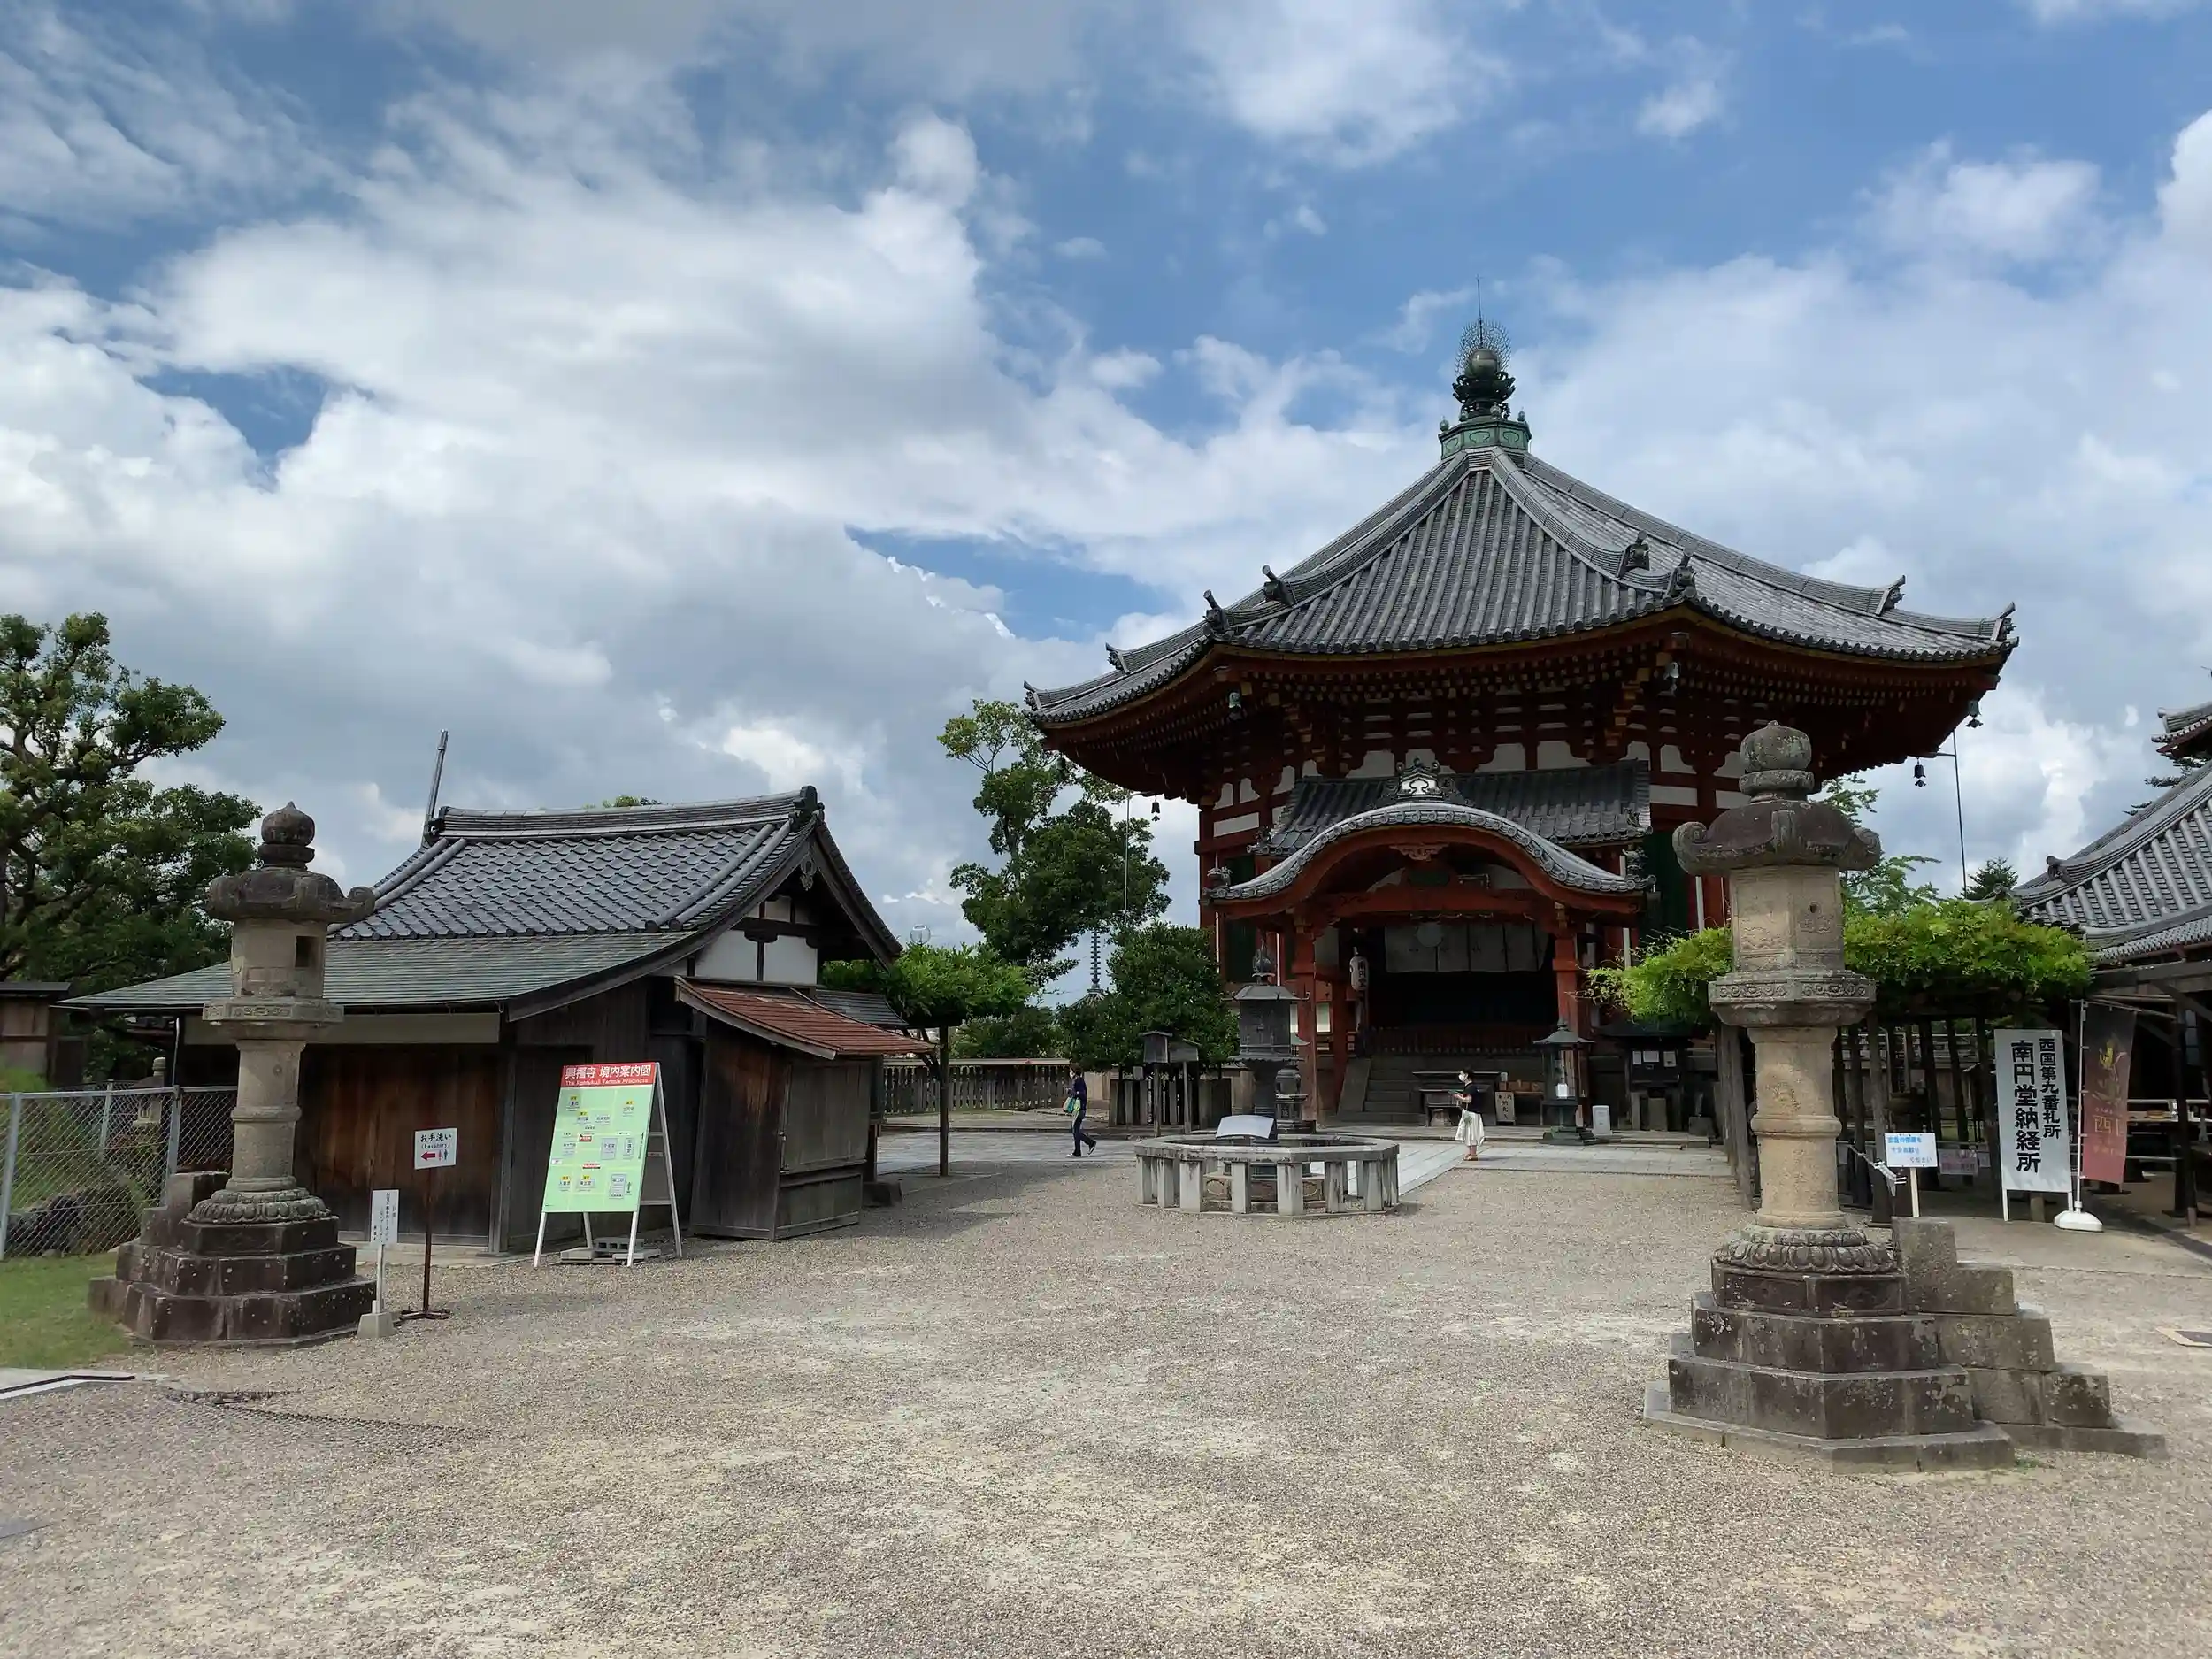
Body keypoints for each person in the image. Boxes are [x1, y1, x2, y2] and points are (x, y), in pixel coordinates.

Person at [1453, 1069, 1486, 1163]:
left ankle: (1473, 1153)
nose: (1460, 1076)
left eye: (1462, 1074)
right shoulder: (1468, 1087)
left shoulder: (1471, 1087)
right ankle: (1469, 1152)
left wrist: (1459, 1097)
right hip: (1467, 1113)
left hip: (1472, 1113)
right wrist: (1461, 1096)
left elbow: (1469, 1100)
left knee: (1472, 1132)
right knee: (1467, 1131)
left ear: (1466, 1075)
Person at [1064, 1068, 1099, 1157]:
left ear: (1074, 1072)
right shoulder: (1079, 1080)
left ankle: (1089, 1143)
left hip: (1079, 1109)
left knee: (1075, 1130)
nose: (1070, 1073)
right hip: (1079, 1108)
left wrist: (1072, 1092)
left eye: (1071, 1071)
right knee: (1075, 1130)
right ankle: (1079, 1151)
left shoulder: (1078, 1081)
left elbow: (1082, 1094)